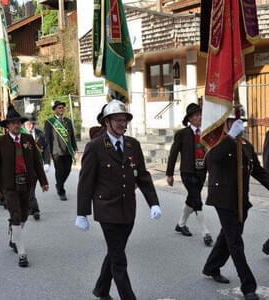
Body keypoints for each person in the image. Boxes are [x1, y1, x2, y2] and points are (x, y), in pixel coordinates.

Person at [76, 100, 162, 300]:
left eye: (125, 120)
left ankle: (101, 289)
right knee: (119, 259)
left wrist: (154, 203)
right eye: (118, 120)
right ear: (107, 122)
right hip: (107, 210)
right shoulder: (95, 146)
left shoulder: (133, 144)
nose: (123, 124)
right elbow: (85, 182)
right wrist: (82, 213)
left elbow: (142, 176)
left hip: (128, 210)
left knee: (115, 253)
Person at [202, 110, 269, 300]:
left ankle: (211, 267)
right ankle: (248, 287)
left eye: (241, 122)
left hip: (241, 201)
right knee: (235, 242)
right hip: (223, 199)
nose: (240, 125)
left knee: (227, 236)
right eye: (235, 122)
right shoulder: (216, 142)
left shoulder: (246, 145)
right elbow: (212, 160)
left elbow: (258, 172)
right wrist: (230, 138)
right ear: (226, 123)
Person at [0, 105, 48, 267]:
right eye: (12, 123)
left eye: (18, 122)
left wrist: (43, 181)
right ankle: (22, 253)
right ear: (7, 126)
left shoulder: (28, 139)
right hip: (9, 184)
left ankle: (13, 236)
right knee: (15, 214)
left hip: (27, 182)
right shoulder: (0, 142)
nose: (16, 125)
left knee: (23, 215)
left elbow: (37, 162)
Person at [166, 103, 213, 246]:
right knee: (197, 200)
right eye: (196, 115)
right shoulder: (182, 134)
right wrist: (169, 174)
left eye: (200, 114)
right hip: (188, 172)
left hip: (201, 171)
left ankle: (180, 224)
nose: (200, 117)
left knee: (192, 198)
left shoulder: (206, 132)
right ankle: (206, 232)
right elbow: (173, 153)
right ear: (190, 119)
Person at [44, 100, 78, 201]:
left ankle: (59, 184)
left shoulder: (68, 121)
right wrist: (48, 152)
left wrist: (75, 149)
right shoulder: (50, 122)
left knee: (68, 169)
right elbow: (47, 137)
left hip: (67, 150)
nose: (61, 109)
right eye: (59, 108)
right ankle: (61, 191)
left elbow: (72, 137)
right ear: (55, 110)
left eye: (62, 107)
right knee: (59, 171)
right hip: (56, 150)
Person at [24, 117, 51, 220]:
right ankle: (33, 209)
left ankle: (33, 209)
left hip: (37, 166)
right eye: (27, 124)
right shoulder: (21, 134)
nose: (30, 126)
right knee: (27, 189)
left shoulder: (40, 133)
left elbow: (46, 148)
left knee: (31, 189)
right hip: (24, 167)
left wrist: (47, 162)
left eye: (31, 124)